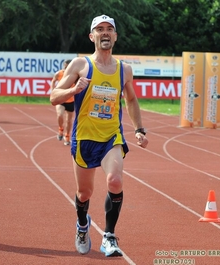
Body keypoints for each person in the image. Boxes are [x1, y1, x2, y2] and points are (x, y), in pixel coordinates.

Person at [50, 14, 148, 257]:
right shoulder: (80, 65)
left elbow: (132, 100)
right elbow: (54, 97)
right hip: (84, 138)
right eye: (100, 29)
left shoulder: (124, 70)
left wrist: (139, 129)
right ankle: (83, 224)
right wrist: (74, 89)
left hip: (111, 137)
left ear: (115, 36)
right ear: (91, 36)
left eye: (109, 29)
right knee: (85, 193)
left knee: (114, 181)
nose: (105, 33)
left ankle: (109, 236)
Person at [50, 59, 74, 145]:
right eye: (66, 66)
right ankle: (60, 129)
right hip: (61, 98)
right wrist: (53, 91)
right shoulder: (59, 73)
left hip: (71, 100)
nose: (67, 68)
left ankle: (67, 136)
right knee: (60, 114)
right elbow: (53, 80)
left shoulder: (75, 75)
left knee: (69, 120)